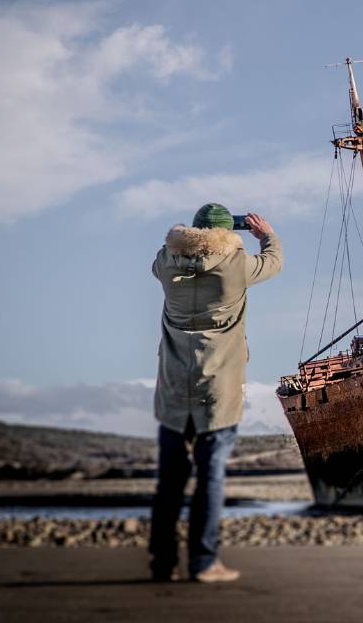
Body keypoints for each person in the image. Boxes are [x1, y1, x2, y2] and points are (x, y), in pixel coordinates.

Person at [148, 204, 282, 583]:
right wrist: (265, 233)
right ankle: (204, 562)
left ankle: (162, 562)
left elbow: (160, 258)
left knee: (171, 478)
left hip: (174, 385)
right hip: (218, 388)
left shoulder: (166, 263)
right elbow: (273, 261)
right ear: (230, 233)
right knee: (211, 474)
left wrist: (182, 237)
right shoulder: (235, 266)